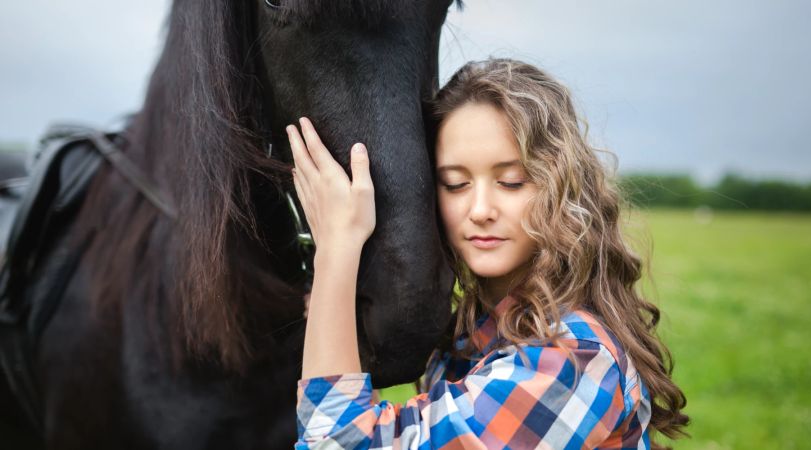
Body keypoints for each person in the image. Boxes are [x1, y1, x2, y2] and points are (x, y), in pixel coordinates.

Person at [287, 58, 688, 450]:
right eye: (456, 184)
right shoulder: (478, 331)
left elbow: (339, 442)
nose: (480, 211)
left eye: (511, 182)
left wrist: (337, 250)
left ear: (562, 189)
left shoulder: (571, 363)